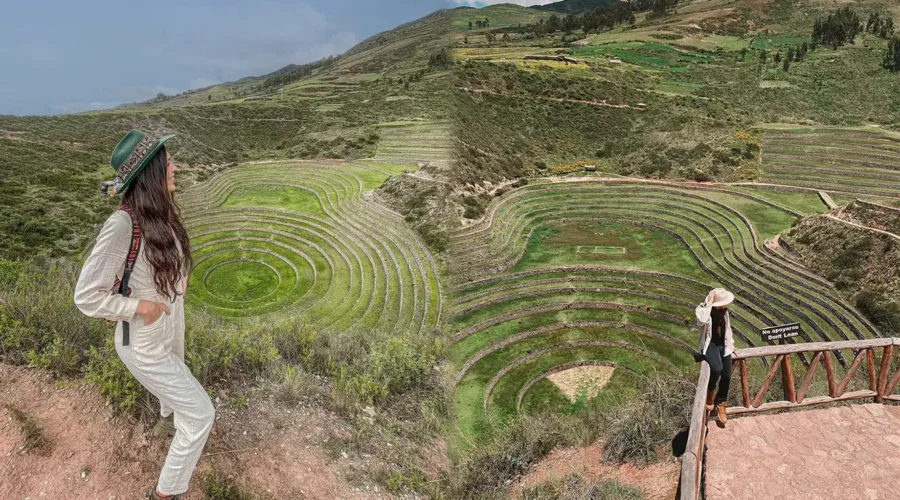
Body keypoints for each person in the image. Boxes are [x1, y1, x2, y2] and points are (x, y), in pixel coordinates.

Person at [75, 130, 214, 500]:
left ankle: (170, 431)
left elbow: (157, 270)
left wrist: (172, 286)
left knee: (182, 394)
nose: (175, 166)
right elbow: (86, 295)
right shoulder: (122, 225)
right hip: (143, 343)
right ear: (151, 172)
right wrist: (142, 306)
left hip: (168, 331)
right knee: (201, 414)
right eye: (167, 161)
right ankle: (166, 493)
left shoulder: (159, 216)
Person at [693, 288, 734, 425]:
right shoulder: (703, 309)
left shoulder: (725, 312)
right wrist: (709, 303)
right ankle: (710, 394)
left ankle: (721, 402)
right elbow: (701, 321)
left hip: (723, 344)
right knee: (716, 368)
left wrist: (731, 346)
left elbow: (728, 329)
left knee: (727, 375)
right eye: (722, 303)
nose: (725, 306)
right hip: (710, 344)